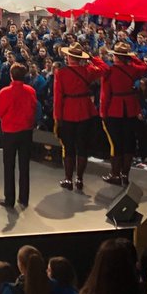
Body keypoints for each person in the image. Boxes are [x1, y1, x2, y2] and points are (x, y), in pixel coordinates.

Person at [98, 42, 147, 186]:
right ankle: (125, 175)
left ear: (116, 56)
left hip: (114, 108)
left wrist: (103, 112)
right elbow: (146, 67)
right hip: (131, 108)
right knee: (129, 144)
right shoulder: (133, 68)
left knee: (116, 144)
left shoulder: (109, 70)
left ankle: (115, 175)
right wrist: (133, 58)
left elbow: (105, 94)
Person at [53, 44, 102, 192]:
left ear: (68, 57)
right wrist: (92, 58)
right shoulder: (88, 70)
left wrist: (57, 118)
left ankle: (68, 179)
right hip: (85, 112)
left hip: (67, 112)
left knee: (68, 148)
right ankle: (79, 179)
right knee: (82, 148)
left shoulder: (60, 73)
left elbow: (57, 98)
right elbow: (105, 68)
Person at [0, 62, 36, 209]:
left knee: (9, 166)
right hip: (26, 131)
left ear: (11, 75)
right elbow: (33, 109)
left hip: (10, 132)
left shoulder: (5, 92)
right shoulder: (30, 91)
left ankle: (9, 199)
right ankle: (24, 198)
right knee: (24, 166)